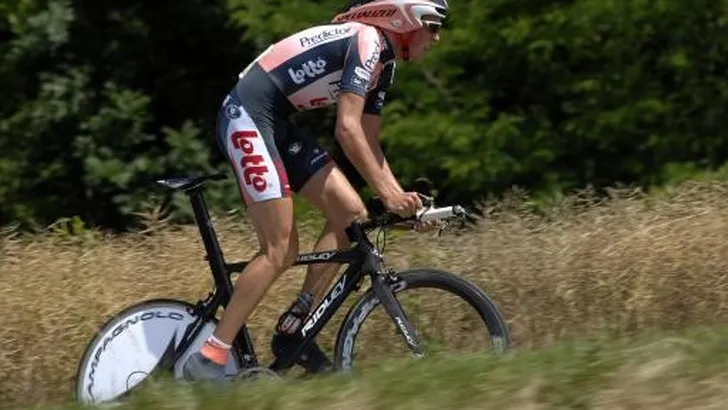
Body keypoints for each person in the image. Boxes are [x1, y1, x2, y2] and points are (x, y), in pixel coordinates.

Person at [182, 0, 450, 382]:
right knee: (280, 249)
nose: (437, 38)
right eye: (433, 26)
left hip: (275, 120)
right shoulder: (367, 40)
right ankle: (209, 358)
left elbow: (369, 142)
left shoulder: (383, 66)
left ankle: (295, 327)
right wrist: (390, 196)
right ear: (406, 18)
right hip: (246, 113)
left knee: (351, 214)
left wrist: (401, 199)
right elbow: (347, 129)